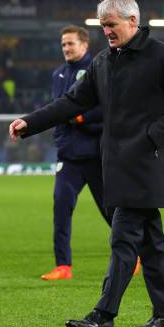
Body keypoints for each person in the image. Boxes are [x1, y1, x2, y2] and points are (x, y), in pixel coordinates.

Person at [9, 0, 164, 327]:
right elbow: (72, 102)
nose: (107, 32)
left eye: (111, 25)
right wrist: (31, 122)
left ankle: (104, 316)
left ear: (132, 21)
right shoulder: (103, 62)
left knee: (122, 239)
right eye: (102, 26)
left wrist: (152, 137)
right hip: (118, 166)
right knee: (150, 243)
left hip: (146, 166)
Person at [40, 25, 118, 281]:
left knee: (111, 210)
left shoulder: (97, 70)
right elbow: (57, 110)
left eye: (70, 43)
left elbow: (106, 109)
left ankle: (136, 253)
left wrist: (82, 117)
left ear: (84, 45)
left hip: (95, 154)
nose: (66, 48)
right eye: (63, 44)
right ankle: (63, 266)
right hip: (69, 156)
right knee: (61, 206)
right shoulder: (58, 74)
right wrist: (63, 134)